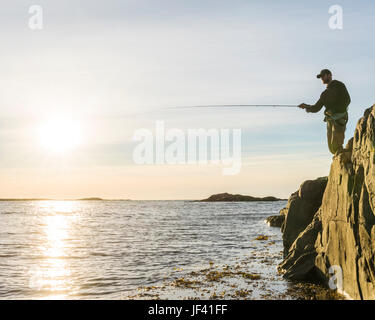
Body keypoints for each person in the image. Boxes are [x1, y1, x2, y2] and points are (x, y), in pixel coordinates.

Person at [298, 69, 351, 156]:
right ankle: (339, 157)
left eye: (323, 76)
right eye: (321, 77)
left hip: (340, 118)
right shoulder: (324, 94)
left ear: (329, 75)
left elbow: (347, 100)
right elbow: (316, 108)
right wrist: (306, 106)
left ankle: (344, 157)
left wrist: (334, 110)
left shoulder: (339, 85)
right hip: (330, 120)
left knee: (336, 145)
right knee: (331, 148)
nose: (322, 78)